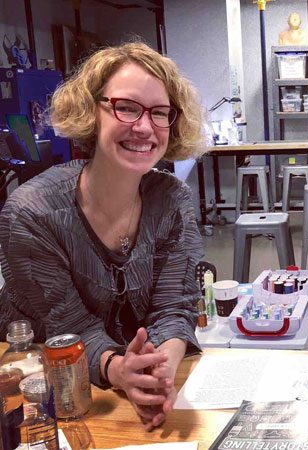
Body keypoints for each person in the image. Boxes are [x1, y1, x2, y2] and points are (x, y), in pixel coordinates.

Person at [0, 41, 206, 430]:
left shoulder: (172, 199)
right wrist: (120, 371)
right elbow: (64, 327)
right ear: (90, 112)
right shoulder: (31, 213)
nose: (144, 127)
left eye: (160, 113)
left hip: (129, 377)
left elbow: (174, 306)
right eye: (126, 107)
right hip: (44, 387)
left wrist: (159, 371)